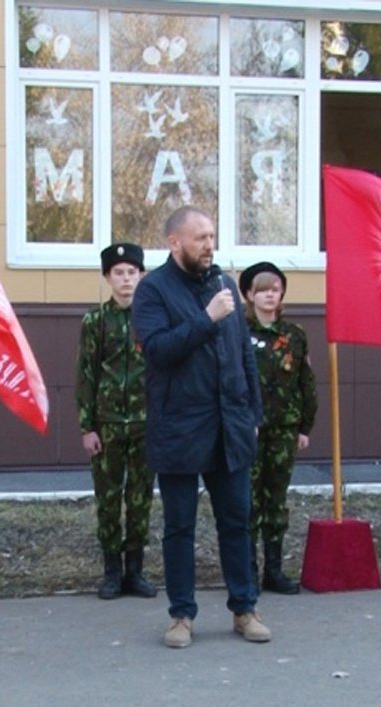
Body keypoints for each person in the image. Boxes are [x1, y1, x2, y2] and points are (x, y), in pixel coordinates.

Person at [132, 206, 269, 648]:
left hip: (230, 424)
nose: (210, 245)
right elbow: (157, 350)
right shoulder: (153, 290)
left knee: (237, 520)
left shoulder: (225, 285)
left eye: (212, 236)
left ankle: (244, 609)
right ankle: (181, 616)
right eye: (200, 238)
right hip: (179, 426)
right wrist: (206, 318)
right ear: (175, 242)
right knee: (179, 526)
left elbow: (244, 356)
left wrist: (252, 415)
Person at [75, 242, 157, 600]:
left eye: (132, 272)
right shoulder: (95, 322)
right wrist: (87, 426)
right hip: (107, 425)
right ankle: (111, 570)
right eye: (119, 273)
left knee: (139, 498)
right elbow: (86, 375)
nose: (126, 280)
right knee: (108, 498)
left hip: (145, 423)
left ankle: (135, 570)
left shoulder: (153, 318)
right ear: (107, 277)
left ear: (142, 276)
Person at [239, 261, 317, 594]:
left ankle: (274, 570)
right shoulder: (238, 333)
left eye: (275, 289)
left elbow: (306, 383)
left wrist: (304, 426)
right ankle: (247, 573)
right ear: (249, 295)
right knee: (248, 503)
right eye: (263, 290)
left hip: (284, 430)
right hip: (250, 431)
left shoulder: (294, 335)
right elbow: (232, 382)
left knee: (276, 500)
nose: (270, 296)